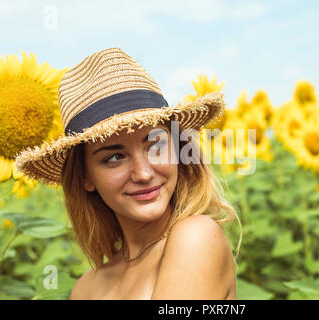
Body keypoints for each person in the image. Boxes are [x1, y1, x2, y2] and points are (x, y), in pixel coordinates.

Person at [15, 47, 242, 300]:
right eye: (114, 157)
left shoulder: (196, 237)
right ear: (85, 177)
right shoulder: (85, 288)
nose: (144, 173)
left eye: (155, 145)